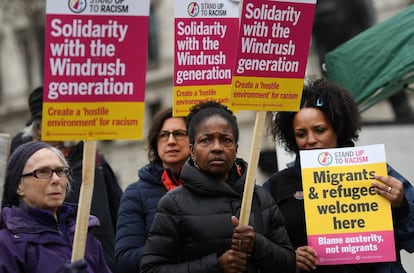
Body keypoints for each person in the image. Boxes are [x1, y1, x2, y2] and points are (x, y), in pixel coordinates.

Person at [264, 78, 414, 273]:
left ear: (337, 128)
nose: (310, 140)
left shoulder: (377, 174)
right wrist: (289, 258)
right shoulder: (276, 186)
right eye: (301, 134)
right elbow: (262, 250)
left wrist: (401, 206)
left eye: (319, 130)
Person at [140, 101, 296, 273]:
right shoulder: (173, 204)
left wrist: (258, 244)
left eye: (226, 140)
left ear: (235, 148)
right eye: (206, 140)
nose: (217, 148)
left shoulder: (259, 197)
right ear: (192, 150)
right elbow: (150, 269)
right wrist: (215, 265)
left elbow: (289, 263)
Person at [9, 86, 123, 273]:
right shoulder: (22, 167)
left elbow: (118, 211)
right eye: (58, 118)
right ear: (38, 128)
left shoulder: (93, 160)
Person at [0, 141, 111, 273]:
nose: (56, 179)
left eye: (60, 171)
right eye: (42, 172)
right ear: (19, 186)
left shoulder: (83, 235)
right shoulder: (7, 244)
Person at [114, 107, 190, 272]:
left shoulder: (210, 186)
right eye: (163, 135)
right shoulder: (135, 194)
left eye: (179, 134)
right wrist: (172, 245)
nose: (170, 141)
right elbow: (124, 260)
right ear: (155, 143)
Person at [312, 0, 414, 122]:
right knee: (334, 79)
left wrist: (372, 33)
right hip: (330, 39)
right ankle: (342, 117)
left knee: (383, 68)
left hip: (355, 33)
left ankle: (402, 108)